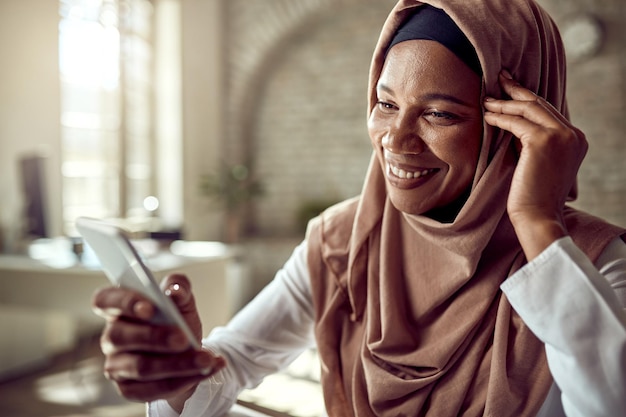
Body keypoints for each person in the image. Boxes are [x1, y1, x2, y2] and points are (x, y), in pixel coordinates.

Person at [91, 0, 626, 416]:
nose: (396, 138)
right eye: (386, 103)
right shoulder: (343, 241)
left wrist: (537, 221)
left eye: (439, 114)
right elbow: (233, 360)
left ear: (516, 128)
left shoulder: (594, 263)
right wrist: (179, 368)